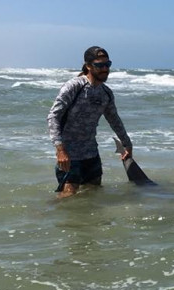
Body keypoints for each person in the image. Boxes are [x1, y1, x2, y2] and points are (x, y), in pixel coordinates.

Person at [47, 46, 133, 198]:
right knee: (67, 197)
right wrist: (60, 150)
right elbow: (53, 116)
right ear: (88, 66)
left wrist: (127, 144)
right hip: (69, 155)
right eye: (100, 65)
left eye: (108, 64)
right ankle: (46, 215)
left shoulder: (106, 93)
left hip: (91, 154)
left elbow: (114, 120)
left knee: (92, 196)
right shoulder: (75, 86)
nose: (105, 69)